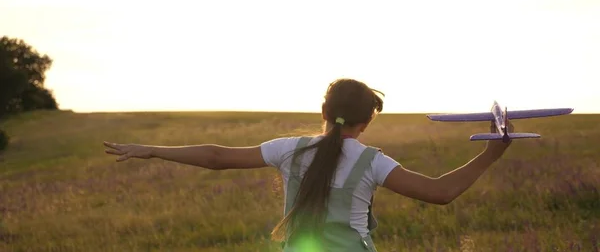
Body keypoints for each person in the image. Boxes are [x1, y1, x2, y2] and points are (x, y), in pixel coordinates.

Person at [103, 78, 512, 251]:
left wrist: (154, 149)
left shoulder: (290, 149)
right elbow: (440, 193)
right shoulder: (372, 161)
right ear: (367, 121)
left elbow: (216, 158)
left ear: (323, 110)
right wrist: (491, 154)